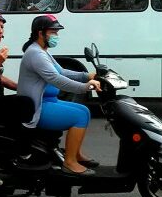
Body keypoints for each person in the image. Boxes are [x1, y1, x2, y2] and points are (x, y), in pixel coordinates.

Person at [17, 14, 102, 175]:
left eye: (57, 32)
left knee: (84, 111)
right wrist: (85, 87)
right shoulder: (36, 54)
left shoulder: (42, 51)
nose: (56, 36)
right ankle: (69, 162)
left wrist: (87, 76)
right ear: (40, 33)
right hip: (39, 107)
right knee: (79, 117)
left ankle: (75, 153)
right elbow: (56, 79)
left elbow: (61, 71)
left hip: (50, 101)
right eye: (53, 32)